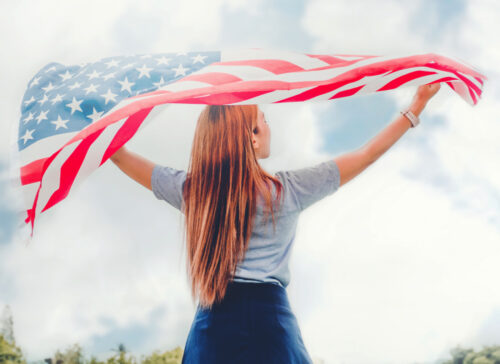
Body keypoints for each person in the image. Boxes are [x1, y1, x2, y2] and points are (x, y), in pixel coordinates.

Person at [109, 83, 441, 363]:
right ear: (252, 137)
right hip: (271, 324)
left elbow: (121, 155)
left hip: (212, 328)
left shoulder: (195, 191)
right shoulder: (290, 189)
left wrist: (94, 126)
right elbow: (367, 153)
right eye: (263, 119)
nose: (268, 126)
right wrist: (417, 105)